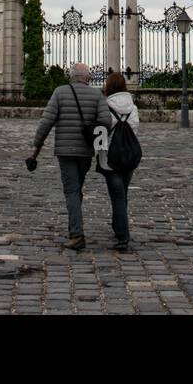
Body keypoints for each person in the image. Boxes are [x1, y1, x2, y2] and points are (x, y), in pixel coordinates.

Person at [30, 62, 113, 250]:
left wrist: (36, 148)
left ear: (71, 76)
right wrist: (95, 139)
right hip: (86, 151)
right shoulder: (96, 95)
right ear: (87, 77)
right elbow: (106, 122)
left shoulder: (59, 92)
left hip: (65, 151)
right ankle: (74, 226)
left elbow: (46, 122)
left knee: (71, 190)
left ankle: (76, 234)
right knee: (76, 188)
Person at [97, 71, 139, 252]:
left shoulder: (104, 107)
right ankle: (117, 226)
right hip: (128, 158)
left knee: (117, 195)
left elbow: (100, 133)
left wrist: (98, 152)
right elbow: (135, 130)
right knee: (123, 193)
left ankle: (123, 236)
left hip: (110, 159)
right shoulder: (133, 108)